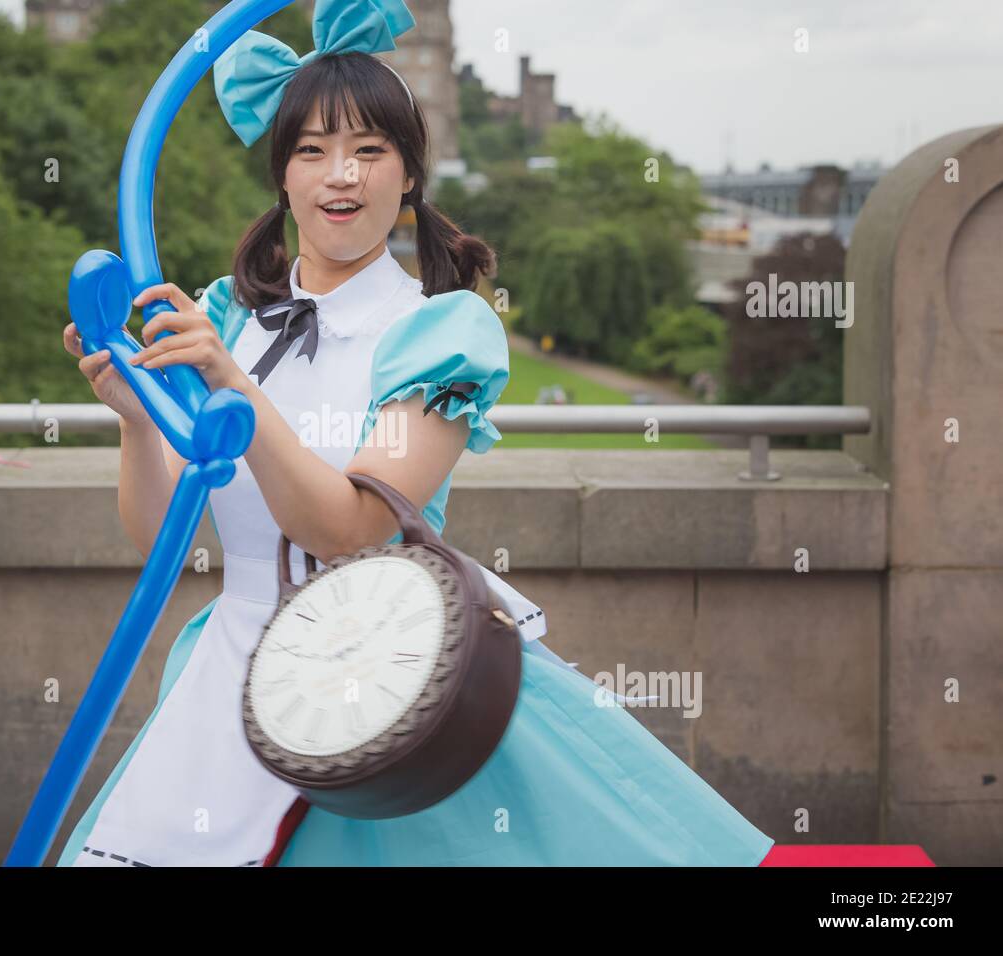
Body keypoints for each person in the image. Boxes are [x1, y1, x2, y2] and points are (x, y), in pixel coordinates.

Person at [56, 0, 774, 866]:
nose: (340, 177)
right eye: (312, 151)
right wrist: (138, 419)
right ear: (282, 177)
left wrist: (232, 386)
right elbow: (155, 531)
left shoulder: (442, 331)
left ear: (409, 176)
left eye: (369, 150)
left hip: (394, 675)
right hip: (231, 678)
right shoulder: (226, 319)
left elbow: (353, 530)